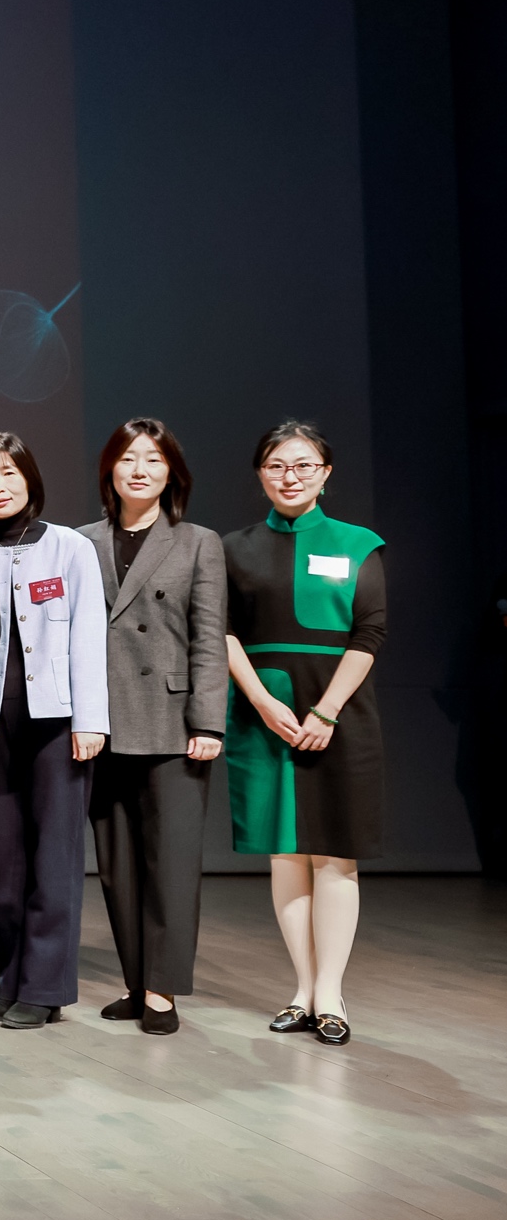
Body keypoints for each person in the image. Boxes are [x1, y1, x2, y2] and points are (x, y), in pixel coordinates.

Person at [224, 420, 385, 1047]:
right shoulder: (233, 548)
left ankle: (331, 994)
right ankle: (301, 989)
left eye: (303, 465)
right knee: (285, 853)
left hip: (339, 714)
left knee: (335, 854)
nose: (289, 477)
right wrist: (262, 703)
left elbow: (368, 633)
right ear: (260, 473)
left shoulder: (360, 544)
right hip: (266, 712)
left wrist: (327, 711)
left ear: (325, 473)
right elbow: (222, 631)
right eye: (276, 466)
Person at [0, 432, 109, 1029]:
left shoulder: (70, 547)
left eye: (9, 474)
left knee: (55, 857)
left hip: (58, 721)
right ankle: (11, 979)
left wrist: (90, 720)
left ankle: (45, 987)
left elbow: (89, 636)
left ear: (30, 480)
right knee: (4, 862)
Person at [79, 419, 227, 1035]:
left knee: (170, 862)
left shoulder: (197, 542)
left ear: (173, 474)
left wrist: (209, 721)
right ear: (110, 470)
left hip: (171, 721)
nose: (140, 470)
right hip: (102, 722)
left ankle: (163, 990)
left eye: (154, 459)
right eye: (128, 458)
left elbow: (209, 638)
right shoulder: (82, 541)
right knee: (116, 864)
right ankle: (136, 982)